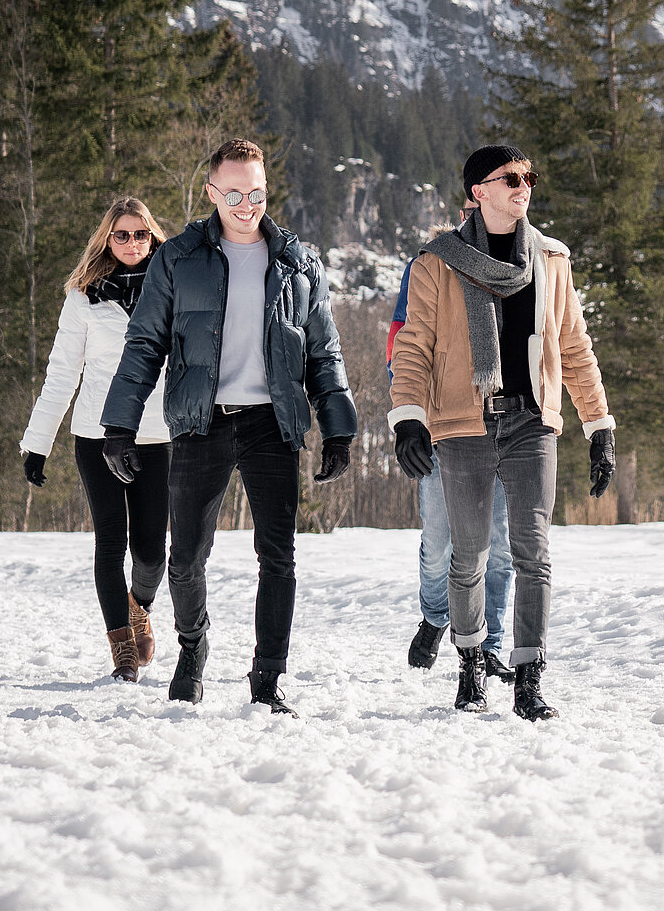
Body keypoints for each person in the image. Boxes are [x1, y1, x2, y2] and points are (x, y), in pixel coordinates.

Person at [101, 138, 357, 715]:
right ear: (212, 191)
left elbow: (324, 351)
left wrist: (338, 427)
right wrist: (119, 424)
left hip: (272, 424)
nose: (247, 203)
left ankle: (267, 678)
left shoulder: (298, 261)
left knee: (279, 556)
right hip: (201, 423)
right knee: (186, 556)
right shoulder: (178, 258)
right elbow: (145, 344)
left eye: (258, 192)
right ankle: (192, 649)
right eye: (235, 192)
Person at [388, 143, 617, 721]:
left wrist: (598, 424)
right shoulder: (436, 262)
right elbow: (414, 346)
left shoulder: (552, 261)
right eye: (510, 178)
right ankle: (469, 666)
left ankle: (528, 678)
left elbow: (574, 347)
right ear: (477, 192)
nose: (523, 186)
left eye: (528, 177)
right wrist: (408, 418)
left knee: (532, 554)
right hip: (462, 422)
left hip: (531, 421)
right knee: (467, 556)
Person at [19, 197, 173, 682]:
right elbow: (62, 374)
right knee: (111, 541)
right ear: (107, 238)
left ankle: (138, 607)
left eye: (140, 234)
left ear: (153, 237)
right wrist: (37, 442)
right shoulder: (83, 297)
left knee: (151, 550)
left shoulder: (175, 288)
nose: (131, 243)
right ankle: (122, 651)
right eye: (121, 235)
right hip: (97, 434)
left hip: (158, 434)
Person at [388, 232, 515, 679]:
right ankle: (436, 616)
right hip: (444, 427)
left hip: (502, 428)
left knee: (498, 548)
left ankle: (489, 644)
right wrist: (411, 417)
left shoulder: (516, 265)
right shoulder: (431, 266)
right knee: (441, 544)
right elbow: (403, 346)